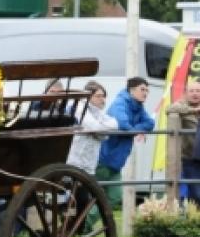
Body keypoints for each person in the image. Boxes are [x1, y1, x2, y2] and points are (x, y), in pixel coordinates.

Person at [97, 77, 155, 211]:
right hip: (104, 158)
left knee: (115, 197)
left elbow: (150, 123)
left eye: (147, 90)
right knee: (97, 195)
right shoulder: (120, 103)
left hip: (116, 160)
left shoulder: (138, 106)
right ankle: (83, 225)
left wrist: (133, 128)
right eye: (142, 89)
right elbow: (122, 125)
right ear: (132, 90)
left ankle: (85, 226)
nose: (145, 93)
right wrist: (136, 130)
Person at [66, 81, 118, 175]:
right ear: (88, 97)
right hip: (75, 161)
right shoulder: (79, 108)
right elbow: (95, 128)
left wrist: (101, 133)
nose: (102, 99)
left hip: (89, 162)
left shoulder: (98, 111)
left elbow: (115, 124)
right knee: (70, 187)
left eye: (103, 96)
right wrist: (103, 132)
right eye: (98, 96)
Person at [168, 79, 200, 205]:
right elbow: (170, 108)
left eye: (198, 91)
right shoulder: (182, 105)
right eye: (192, 91)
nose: (195, 94)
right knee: (196, 192)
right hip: (190, 157)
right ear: (186, 93)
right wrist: (194, 111)